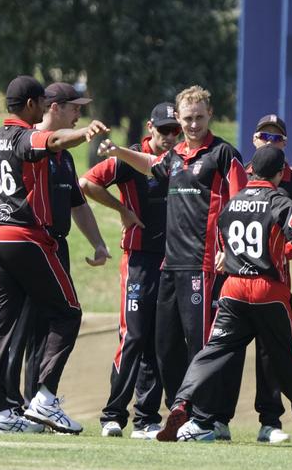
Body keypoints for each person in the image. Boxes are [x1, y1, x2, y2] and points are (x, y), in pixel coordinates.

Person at [95, 85, 247, 441]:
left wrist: (231, 248)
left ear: (210, 115)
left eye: (198, 117)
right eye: (187, 118)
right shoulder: (176, 154)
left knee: (201, 344)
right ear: (178, 119)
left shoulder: (224, 155)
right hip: (170, 266)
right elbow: (152, 166)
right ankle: (183, 412)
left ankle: (207, 420)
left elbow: (239, 202)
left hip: (204, 264)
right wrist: (118, 150)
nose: (193, 125)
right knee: (164, 346)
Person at [156, 145, 292, 445]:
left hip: (233, 288)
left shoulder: (233, 201)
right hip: (268, 289)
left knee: (213, 352)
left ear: (250, 171)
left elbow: (220, 241)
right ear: (280, 173)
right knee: (288, 357)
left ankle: (185, 404)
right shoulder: (281, 200)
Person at [0, 75, 109, 434]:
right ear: (35, 105)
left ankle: (1, 414)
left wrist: (2, 217)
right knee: (68, 313)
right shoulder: (23, 136)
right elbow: (50, 140)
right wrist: (85, 135)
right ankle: (44, 400)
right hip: (27, 239)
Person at [80, 102, 179, 439]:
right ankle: (112, 415)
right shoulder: (131, 158)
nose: (169, 136)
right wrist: (122, 209)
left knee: (158, 341)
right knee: (133, 335)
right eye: (163, 129)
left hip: (172, 260)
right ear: (150, 126)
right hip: (138, 259)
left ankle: (146, 418)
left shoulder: (179, 161)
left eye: (175, 130)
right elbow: (87, 183)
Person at [244, 114, 292, 444]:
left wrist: (283, 248)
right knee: (223, 350)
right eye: (264, 136)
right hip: (232, 276)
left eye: (277, 138)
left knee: (271, 352)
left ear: (284, 143)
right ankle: (211, 417)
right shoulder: (237, 173)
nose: (270, 142)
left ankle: (269, 421)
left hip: (274, 280)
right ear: (254, 139)